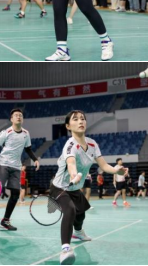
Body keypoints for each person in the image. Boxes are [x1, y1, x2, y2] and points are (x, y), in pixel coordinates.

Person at [49, 110, 125, 265]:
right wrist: (74, 175)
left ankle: (78, 233)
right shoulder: (70, 145)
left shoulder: (92, 144)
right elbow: (71, 164)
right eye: (75, 119)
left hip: (74, 188)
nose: (80, 121)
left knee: (81, 214)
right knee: (70, 210)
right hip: (60, 187)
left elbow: (103, 165)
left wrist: (116, 170)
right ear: (68, 126)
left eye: (83, 119)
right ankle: (65, 249)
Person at [0, 109, 40, 231]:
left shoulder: (26, 133)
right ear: (11, 119)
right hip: (3, 165)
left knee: (15, 194)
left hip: (16, 167)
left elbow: (28, 149)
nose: (19, 117)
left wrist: (35, 159)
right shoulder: (6, 132)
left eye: (20, 115)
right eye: (16, 115)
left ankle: (5, 220)